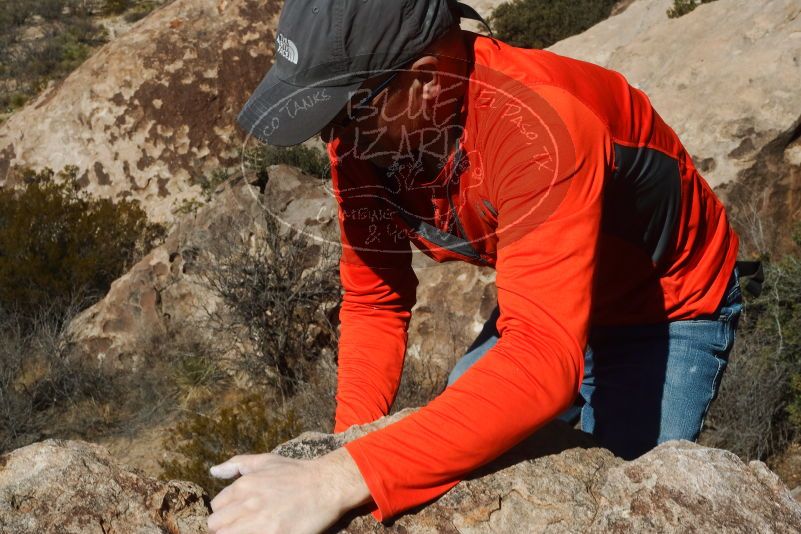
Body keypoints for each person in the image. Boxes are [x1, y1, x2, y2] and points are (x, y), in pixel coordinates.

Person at [206, 1, 744, 533]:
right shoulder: (367, 136)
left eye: (343, 112)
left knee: (624, 491)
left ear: (424, 80)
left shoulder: (540, 127)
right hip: (550, 294)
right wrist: (344, 452)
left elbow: (540, 359)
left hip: (667, 308)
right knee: (468, 415)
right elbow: (376, 299)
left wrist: (339, 477)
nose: (334, 139)